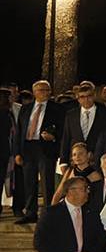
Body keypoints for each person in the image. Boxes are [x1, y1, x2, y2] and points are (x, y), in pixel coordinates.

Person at [15, 81, 65, 223]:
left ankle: (48, 213)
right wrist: (17, 152)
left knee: (47, 182)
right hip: (28, 148)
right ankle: (30, 212)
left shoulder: (57, 109)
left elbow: (63, 130)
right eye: (41, 90)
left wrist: (53, 137)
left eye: (47, 90)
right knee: (29, 182)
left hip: (46, 148)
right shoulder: (25, 109)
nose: (44, 92)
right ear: (34, 92)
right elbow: (19, 131)